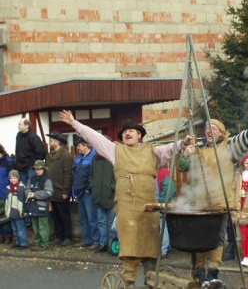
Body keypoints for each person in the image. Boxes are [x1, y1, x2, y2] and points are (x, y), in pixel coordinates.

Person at [59, 109, 194, 288]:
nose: (127, 133)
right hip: (127, 206)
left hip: (148, 207)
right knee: (130, 244)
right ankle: (129, 279)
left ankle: (151, 279)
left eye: (131, 131)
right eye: (124, 132)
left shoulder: (152, 151)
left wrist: (183, 143)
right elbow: (94, 137)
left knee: (151, 246)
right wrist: (74, 123)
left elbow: (171, 149)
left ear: (140, 135)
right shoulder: (115, 150)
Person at [178, 115, 248, 288]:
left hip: (220, 201)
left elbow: (242, 139)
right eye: (207, 128)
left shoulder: (228, 147)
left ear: (221, 133)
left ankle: (213, 272)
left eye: (214, 128)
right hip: (199, 202)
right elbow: (182, 166)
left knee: (218, 238)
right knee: (200, 238)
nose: (209, 131)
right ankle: (199, 272)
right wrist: (186, 154)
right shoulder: (197, 148)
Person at [45, 131, 74, 246]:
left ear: (58, 142)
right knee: (55, 216)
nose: (49, 142)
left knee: (64, 216)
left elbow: (68, 175)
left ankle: (67, 237)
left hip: (61, 191)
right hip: (51, 191)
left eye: (51, 140)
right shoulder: (49, 156)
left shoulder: (66, 156)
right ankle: (58, 237)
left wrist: (66, 191)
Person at [89, 135, 116, 253]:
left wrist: (112, 187)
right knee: (101, 222)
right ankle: (103, 243)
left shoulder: (113, 157)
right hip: (98, 195)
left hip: (110, 195)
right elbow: (91, 174)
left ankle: (112, 244)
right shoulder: (95, 159)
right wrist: (93, 185)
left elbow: (118, 175)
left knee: (112, 223)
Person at [72, 137, 99, 250]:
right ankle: (86, 240)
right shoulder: (78, 158)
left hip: (88, 192)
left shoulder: (93, 157)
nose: (78, 148)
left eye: (79, 146)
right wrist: (74, 192)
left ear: (86, 145)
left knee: (92, 218)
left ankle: (96, 240)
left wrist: (89, 188)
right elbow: (74, 175)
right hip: (80, 192)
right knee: (83, 218)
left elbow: (94, 175)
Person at [25, 160, 54, 251]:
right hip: (33, 206)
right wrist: (29, 193)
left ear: (44, 169)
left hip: (42, 206)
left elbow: (49, 192)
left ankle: (45, 243)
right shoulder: (32, 179)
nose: (39, 171)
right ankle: (37, 243)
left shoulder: (47, 180)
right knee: (35, 227)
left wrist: (35, 194)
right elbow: (27, 189)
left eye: (40, 169)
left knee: (43, 226)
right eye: (37, 169)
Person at [15, 118, 46, 185]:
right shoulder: (19, 136)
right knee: (24, 188)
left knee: (33, 187)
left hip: (31, 168)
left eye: (20, 124)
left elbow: (41, 152)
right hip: (22, 167)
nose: (18, 126)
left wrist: (33, 165)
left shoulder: (34, 137)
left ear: (26, 126)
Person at [5, 170, 29, 250]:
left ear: (18, 178)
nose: (13, 180)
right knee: (15, 229)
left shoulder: (21, 188)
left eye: (14, 178)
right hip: (12, 212)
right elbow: (8, 201)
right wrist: (7, 211)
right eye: (11, 178)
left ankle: (24, 243)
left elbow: (21, 202)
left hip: (19, 212)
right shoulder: (9, 188)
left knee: (21, 229)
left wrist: (22, 212)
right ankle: (17, 242)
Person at [156, 166, 176, 258]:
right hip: (156, 205)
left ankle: (163, 251)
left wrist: (161, 203)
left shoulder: (163, 172)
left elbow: (170, 190)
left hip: (159, 206)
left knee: (162, 227)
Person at [0, 144, 16, 244]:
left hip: (5, 192)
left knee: (5, 217)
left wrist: (10, 189)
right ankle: (1, 236)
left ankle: (8, 236)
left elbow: (12, 177)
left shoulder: (8, 161)